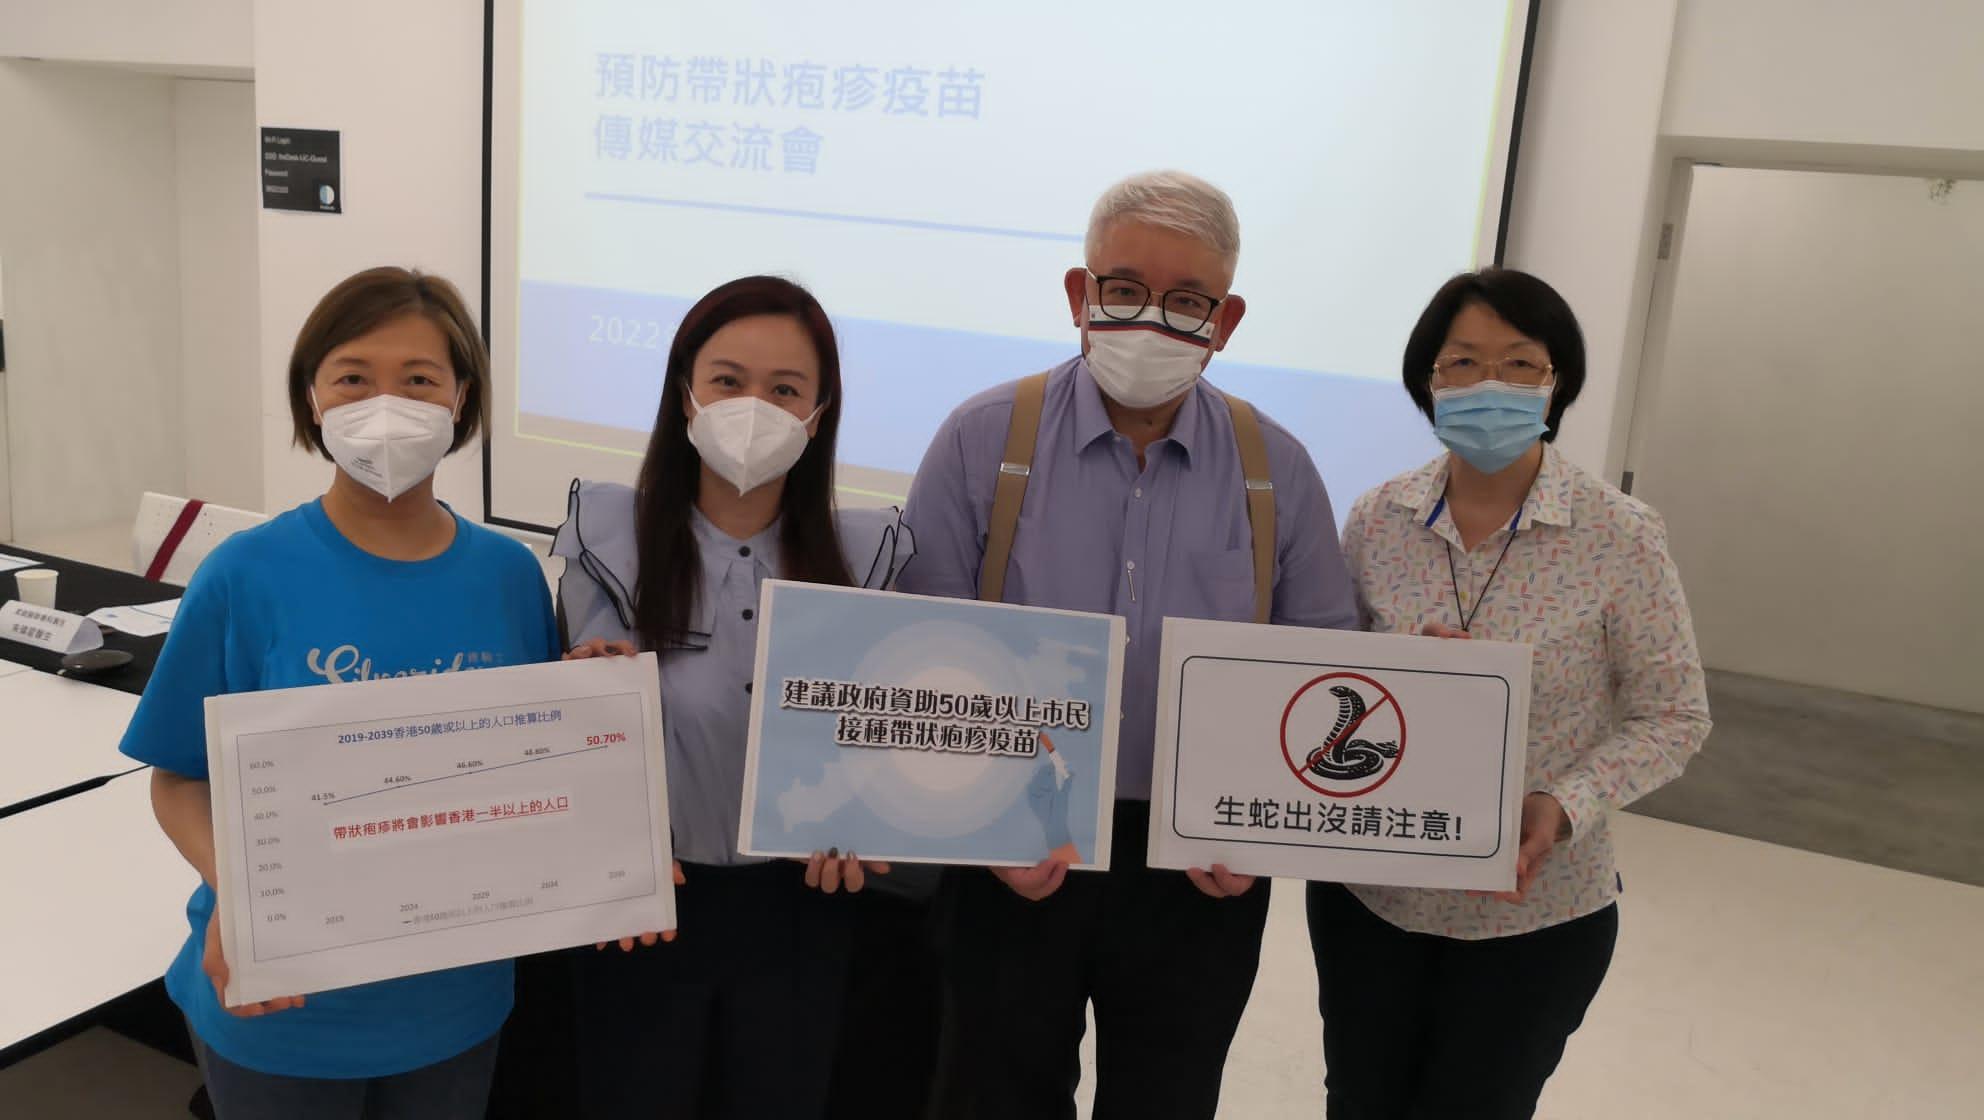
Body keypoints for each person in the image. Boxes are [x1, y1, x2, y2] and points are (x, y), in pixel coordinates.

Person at [897, 170, 1361, 1119]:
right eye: (1123, 288)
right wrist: (982, 821)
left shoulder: (1278, 468)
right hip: (1013, 832)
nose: (1151, 319)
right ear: (1080, 294)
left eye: (1187, 300)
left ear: (1226, 320)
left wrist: (1262, 833)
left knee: (1168, 1096)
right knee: (993, 1093)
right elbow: (919, 645)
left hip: (1200, 863)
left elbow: (1322, 668)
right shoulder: (982, 439)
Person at [120, 267, 560, 1117]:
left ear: (462, 399)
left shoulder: (510, 577)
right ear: (312, 398)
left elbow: (537, 764)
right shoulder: (245, 575)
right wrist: (240, 892)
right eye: (354, 377)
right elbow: (177, 777)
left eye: (419, 379)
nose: (385, 405)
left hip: (455, 998)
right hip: (284, 1000)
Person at [1308, 268, 1712, 1119]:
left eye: (1520, 363)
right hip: (1372, 900)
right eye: (1462, 362)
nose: (1489, 384)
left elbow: (1674, 714)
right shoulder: (1377, 519)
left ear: (1556, 381)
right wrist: (1400, 671)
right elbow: (1329, 679)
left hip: (1535, 914)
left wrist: (1564, 804)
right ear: (1428, 379)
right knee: (1359, 1101)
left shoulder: (1620, 535)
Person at [553, 275, 917, 1119]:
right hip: (641, 911)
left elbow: (885, 741)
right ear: (685, 392)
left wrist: (869, 820)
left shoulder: (868, 556)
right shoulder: (605, 539)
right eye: (727, 381)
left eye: (785, 389)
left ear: (818, 414)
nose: (754, 407)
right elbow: (567, 741)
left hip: (802, 914)